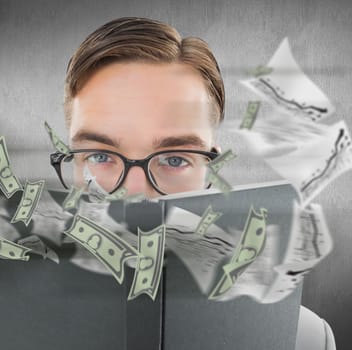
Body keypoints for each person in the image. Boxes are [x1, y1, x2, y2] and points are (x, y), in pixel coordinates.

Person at [52, 16, 336, 350]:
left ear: (211, 171)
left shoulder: (304, 339)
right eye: (100, 156)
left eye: (174, 159)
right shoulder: (21, 323)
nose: (135, 194)